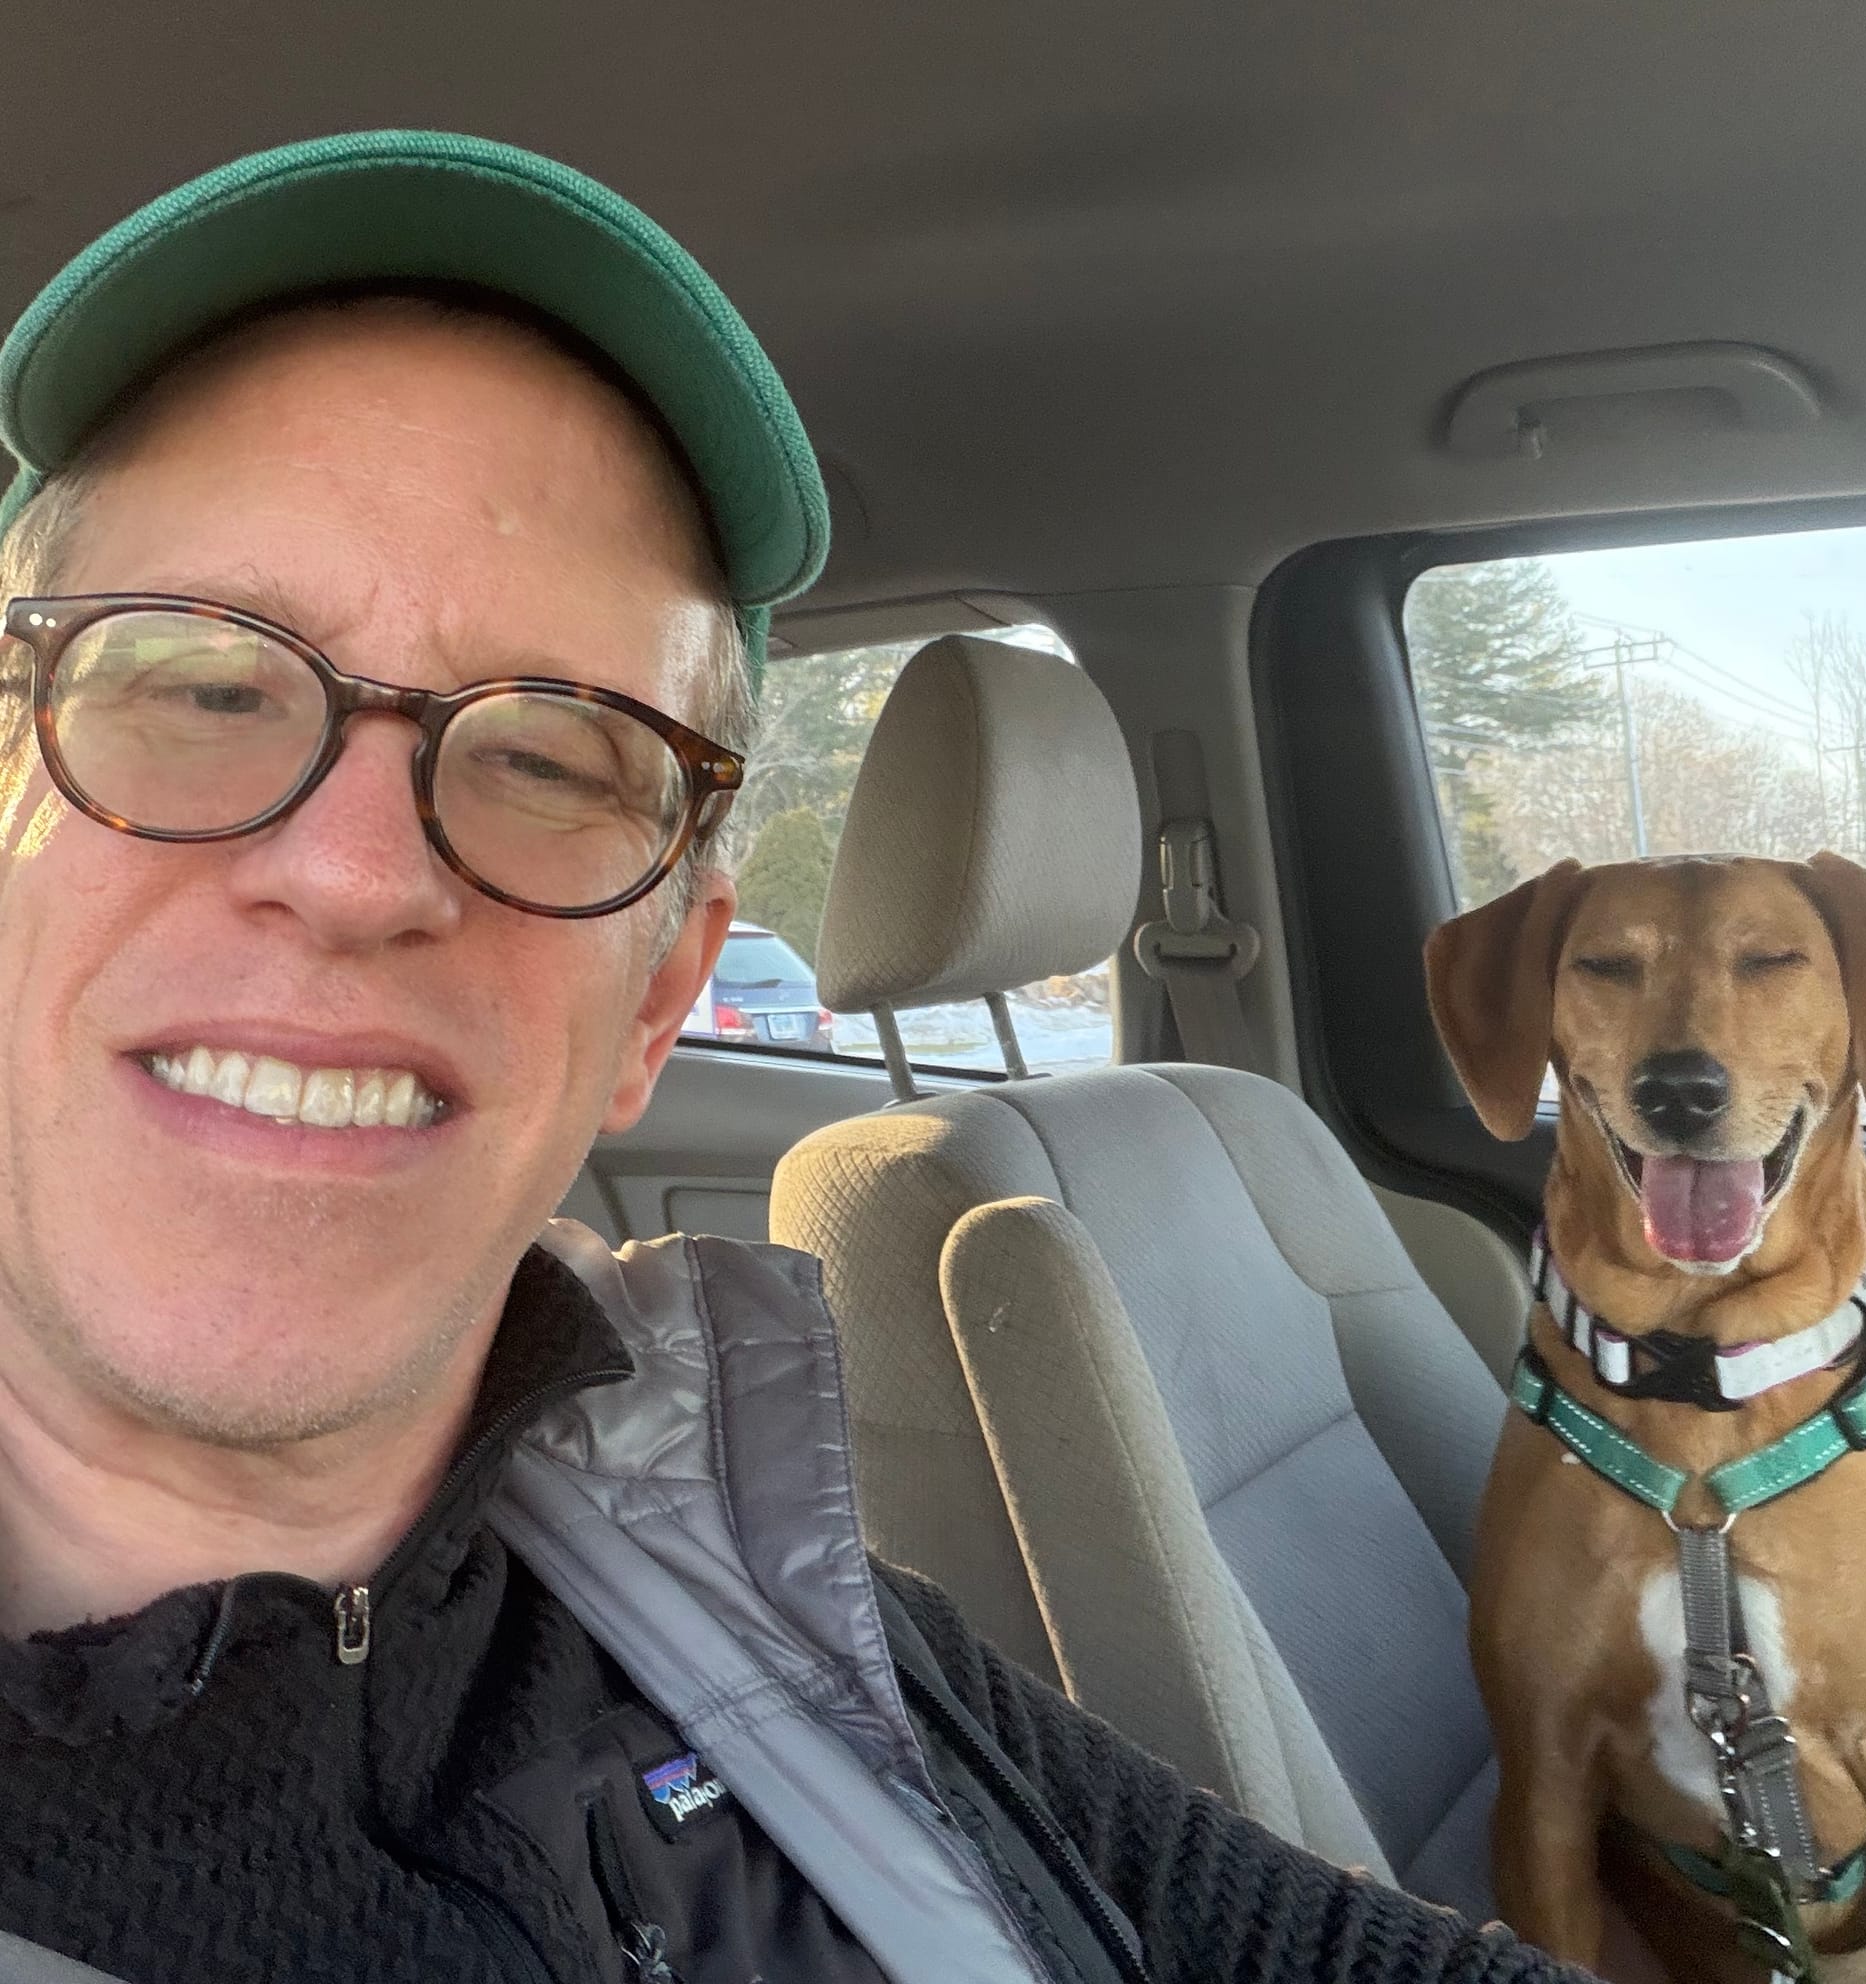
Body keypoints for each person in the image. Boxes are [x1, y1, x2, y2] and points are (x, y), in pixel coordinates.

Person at [0, 131, 1593, 1984]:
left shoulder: (749, 1571)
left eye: (545, 755)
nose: (356, 873)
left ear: (661, 998)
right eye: (198, 681)